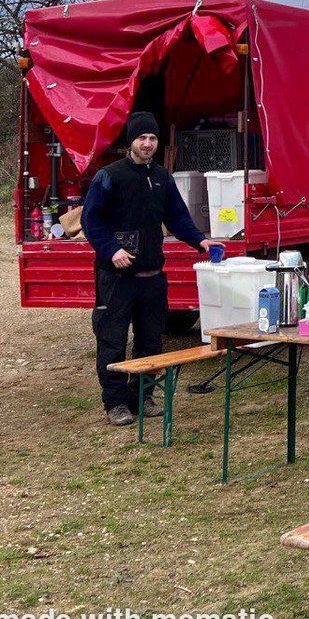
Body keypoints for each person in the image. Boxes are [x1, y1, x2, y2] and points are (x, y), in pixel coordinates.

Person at [83, 112, 217, 426]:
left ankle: (143, 397)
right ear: (130, 141)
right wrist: (111, 249)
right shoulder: (109, 176)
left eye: (153, 138)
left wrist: (200, 241)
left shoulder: (161, 177)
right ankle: (115, 403)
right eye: (142, 138)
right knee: (112, 341)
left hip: (152, 278)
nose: (147, 144)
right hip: (116, 279)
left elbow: (178, 218)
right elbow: (91, 221)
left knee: (150, 342)